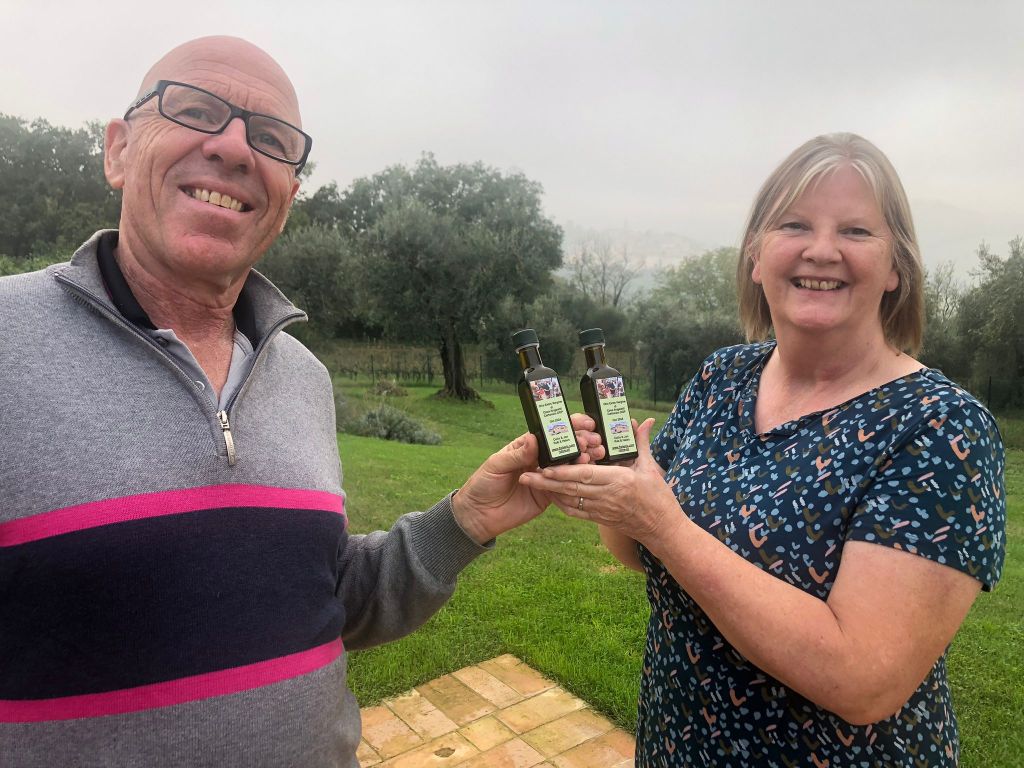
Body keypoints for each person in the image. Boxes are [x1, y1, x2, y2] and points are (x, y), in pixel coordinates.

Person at [0, 36, 599, 767]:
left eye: (272, 139)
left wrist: (466, 520)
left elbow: (323, 599)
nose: (233, 147)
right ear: (119, 150)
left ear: (287, 195)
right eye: (195, 110)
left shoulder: (302, 377)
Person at [521, 133, 1006, 766]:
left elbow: (864, 681)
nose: (822, 249)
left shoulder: (942, 428)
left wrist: (664, 524)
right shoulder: (723, 376)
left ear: (896, 269)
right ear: (756, 256)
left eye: (856, 231)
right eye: (794, 224)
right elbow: (639, 552)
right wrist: (615, 487)